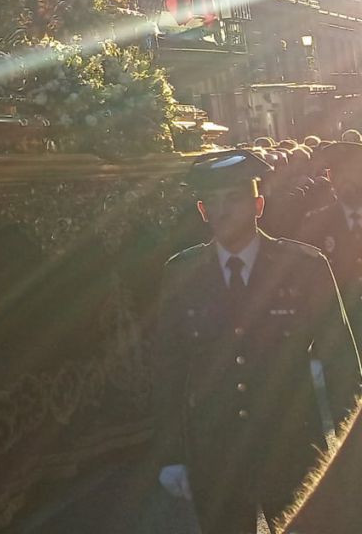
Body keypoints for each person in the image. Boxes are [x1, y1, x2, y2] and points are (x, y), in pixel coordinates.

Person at [153, 149, 362, 534]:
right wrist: (172, 455)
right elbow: (167, 368)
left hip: (291, 444)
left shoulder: (303, 265)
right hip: (216, 453)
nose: (222, 211)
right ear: (202, 212)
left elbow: (340, 360)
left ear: (258, 205)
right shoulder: (182, 273)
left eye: (233, 199)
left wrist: (351, 456)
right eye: (211, 203)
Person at [299, 140, 362, 335]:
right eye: (338, 173)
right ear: (330, 177)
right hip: (338, 329)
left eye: (352, 172)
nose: (346, 180)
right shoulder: (315, 224)